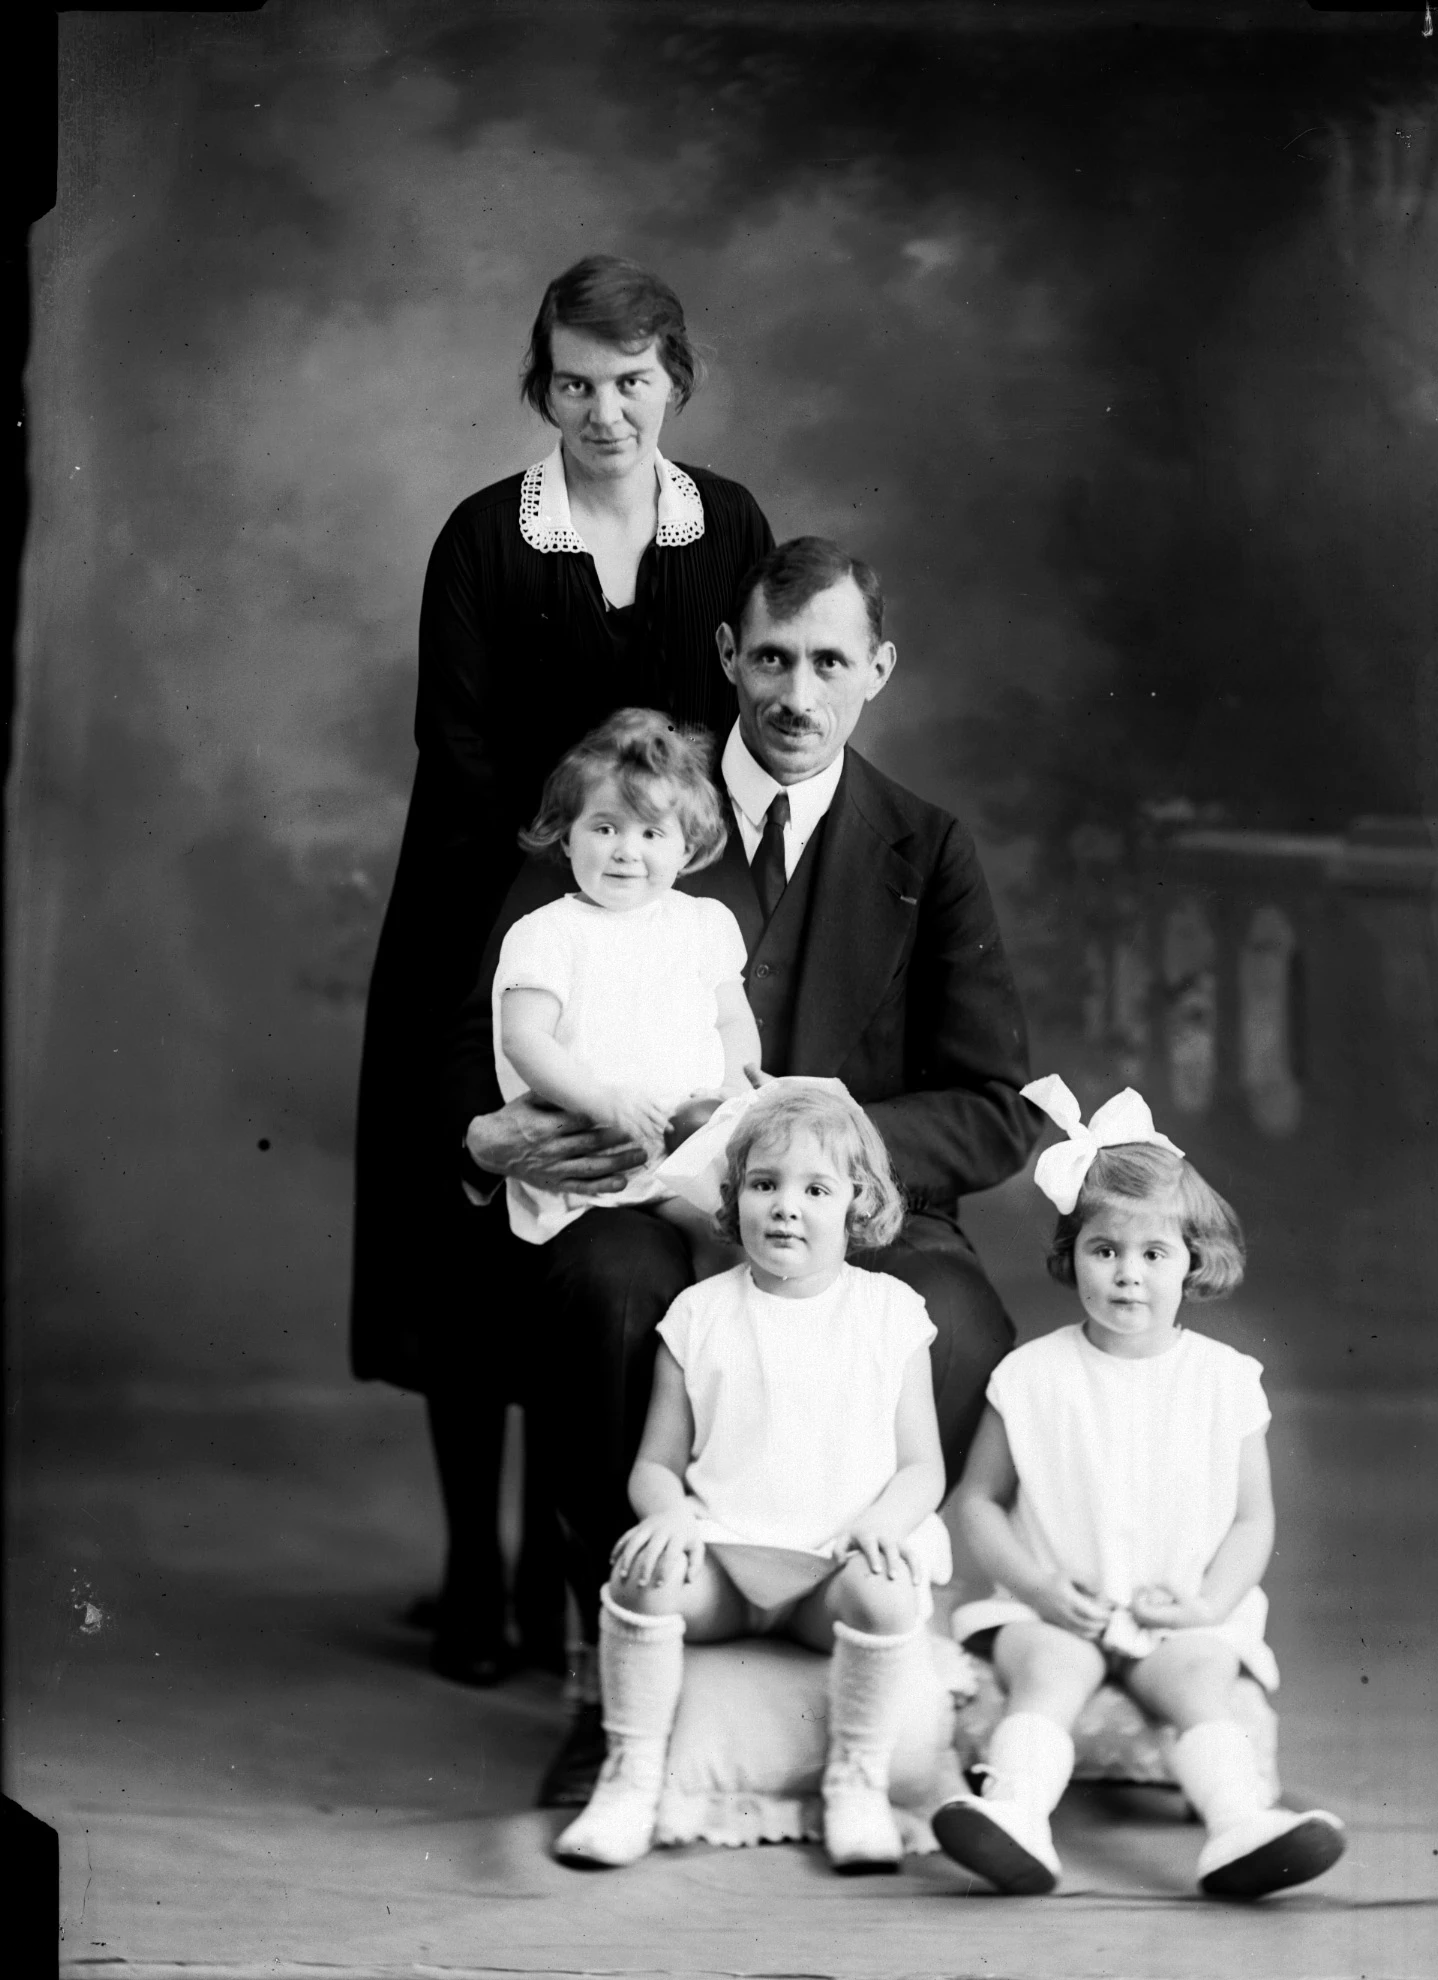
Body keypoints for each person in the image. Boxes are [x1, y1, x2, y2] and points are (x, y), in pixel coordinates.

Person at [451, 536, 1041, 1803]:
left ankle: (848, 1645)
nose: (794, 693)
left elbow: (995, 1106)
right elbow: (492, 1017)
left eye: (828, 662)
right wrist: (480, 1137)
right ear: (728, 656)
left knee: (953, 1323)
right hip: (637, 1190)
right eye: (771, 659)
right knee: (610, 1291)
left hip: (848, 1205)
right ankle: (619, 1662)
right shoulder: (630, 807)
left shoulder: (926, 848)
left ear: (877, 669)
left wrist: (824, 1141)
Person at [350, 255, 773, 1684]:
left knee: (599, 1234)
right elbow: (458, 754)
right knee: (475, 1237)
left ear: (676, 382)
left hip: (659, 919)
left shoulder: (729, 527)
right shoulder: (484, 536)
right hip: (488, 919)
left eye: (631, 382)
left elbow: (731, 739)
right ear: (542, 387)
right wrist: (563, 908)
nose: (604, 413)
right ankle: (477, 1572)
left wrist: (655, 907)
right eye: (575, 384)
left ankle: (556, 1568)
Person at [931, 1075, 1348, 1901]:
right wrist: (1039, 1590)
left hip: (1177, 1612)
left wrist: (1207, 1604)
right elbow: (977, 1502)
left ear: (1194, 1262)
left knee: (1199, 1682)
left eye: (1154, 1254)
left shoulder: (1225, 1381)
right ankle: (1015, 1817)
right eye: (1105, 1250)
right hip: (1055, 1608)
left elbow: (1252, 1519)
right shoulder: (1032, 1376)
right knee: (1047, 1673)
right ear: (1071, 1255)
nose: (1128, 1274)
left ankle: (1240, 1827)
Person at [554, 1084, 948, 1873]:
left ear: (859, 1202)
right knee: (639, 1576)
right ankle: (631, 1777)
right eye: (765, 1184)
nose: (786, 1208)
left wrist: (884, 1522)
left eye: (816, 1190)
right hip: (726, 1569)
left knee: (888, 1591)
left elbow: (922, 1466)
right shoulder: (699, 1314)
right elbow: (656, 1463)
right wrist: (667, 1514)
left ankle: (858, 1781)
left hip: (829, 1574)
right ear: (734, 1198)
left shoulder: (891, 1313)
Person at [492, 707, 758, 1259]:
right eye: (605, 827)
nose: (626, 851)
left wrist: (732, 1092)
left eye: (652, 832)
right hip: (592, 1160)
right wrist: (601, 1101)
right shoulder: (546, 933)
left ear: (686, 849)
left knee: (732, 1241)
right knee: (627, 1260)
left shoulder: (704, 923)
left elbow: (732, 1019)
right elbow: (523, 1039)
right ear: (568, 837)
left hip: (688, 1153)